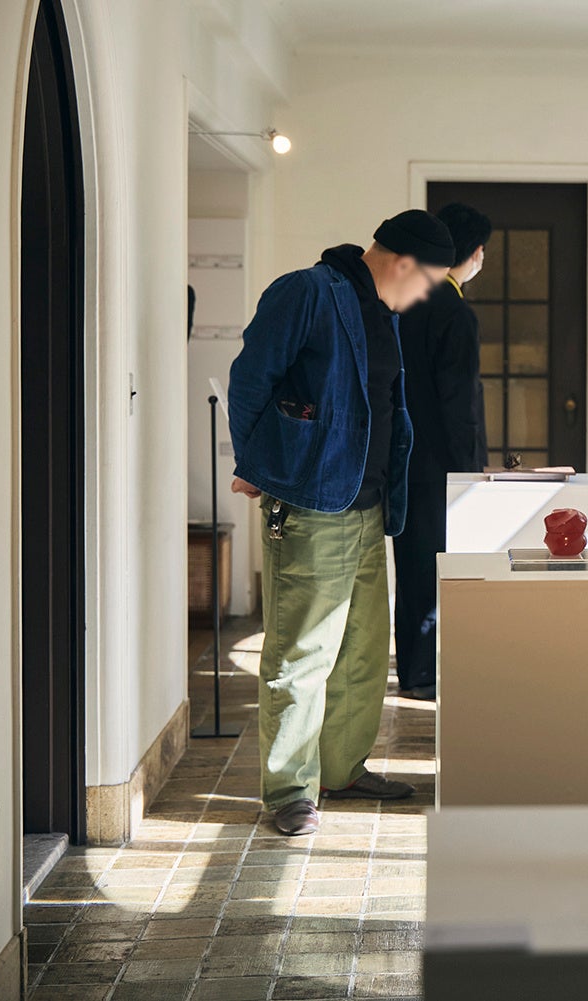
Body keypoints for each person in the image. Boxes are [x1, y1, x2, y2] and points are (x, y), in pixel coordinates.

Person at [227, 209, 455, 837]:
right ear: (403, 263)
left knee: (361, 651)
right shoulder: (307, 291)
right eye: (428, 281)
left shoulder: (381, 310)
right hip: (312, 501)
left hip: (368, 503)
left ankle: (340, 770)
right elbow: (249, 381)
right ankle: (289, 791)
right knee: (303, 653)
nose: (425, 295)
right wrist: (258, 464)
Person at [392, 203, 492, 701]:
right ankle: (426, 674)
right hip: (442, 469)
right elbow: (459, 402)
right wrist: (470, 471)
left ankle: (413, 669)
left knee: (411, 569)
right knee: (438, 568)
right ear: (473, 253)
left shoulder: (403, 303)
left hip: (402, 460)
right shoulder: (455, 312)